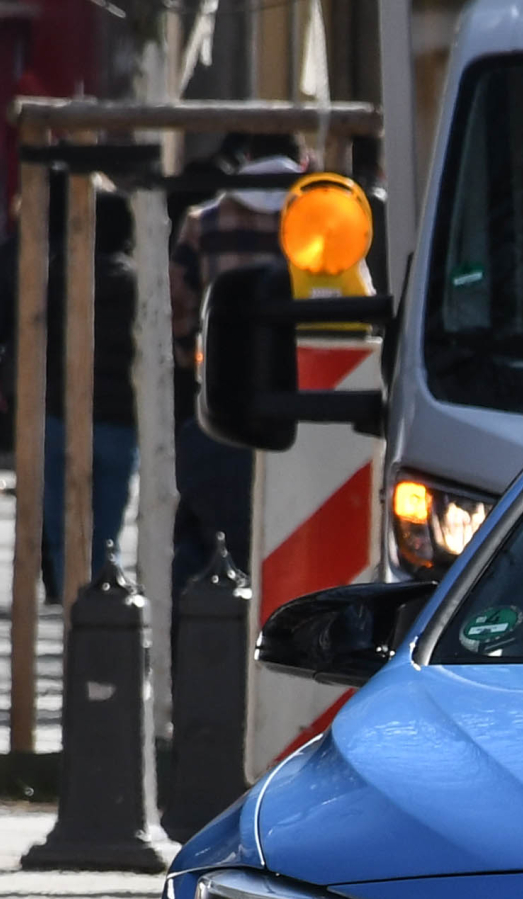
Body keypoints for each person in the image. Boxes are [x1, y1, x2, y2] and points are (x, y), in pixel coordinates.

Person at [170, 136, 304, 593]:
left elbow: (176, 303)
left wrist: (194, 358)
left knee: (204, 533)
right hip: (302, 406)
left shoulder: (204, 222)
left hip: (220, 401)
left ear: (245, 158)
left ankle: (190, 644)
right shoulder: (322, 219)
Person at [37, 188, 140, 602]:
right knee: (107, 527)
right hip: (118, 419)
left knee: (62, 526)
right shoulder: (136, 283)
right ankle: (98, 597)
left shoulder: (58, 273)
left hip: (61, 413)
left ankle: (69, 599)